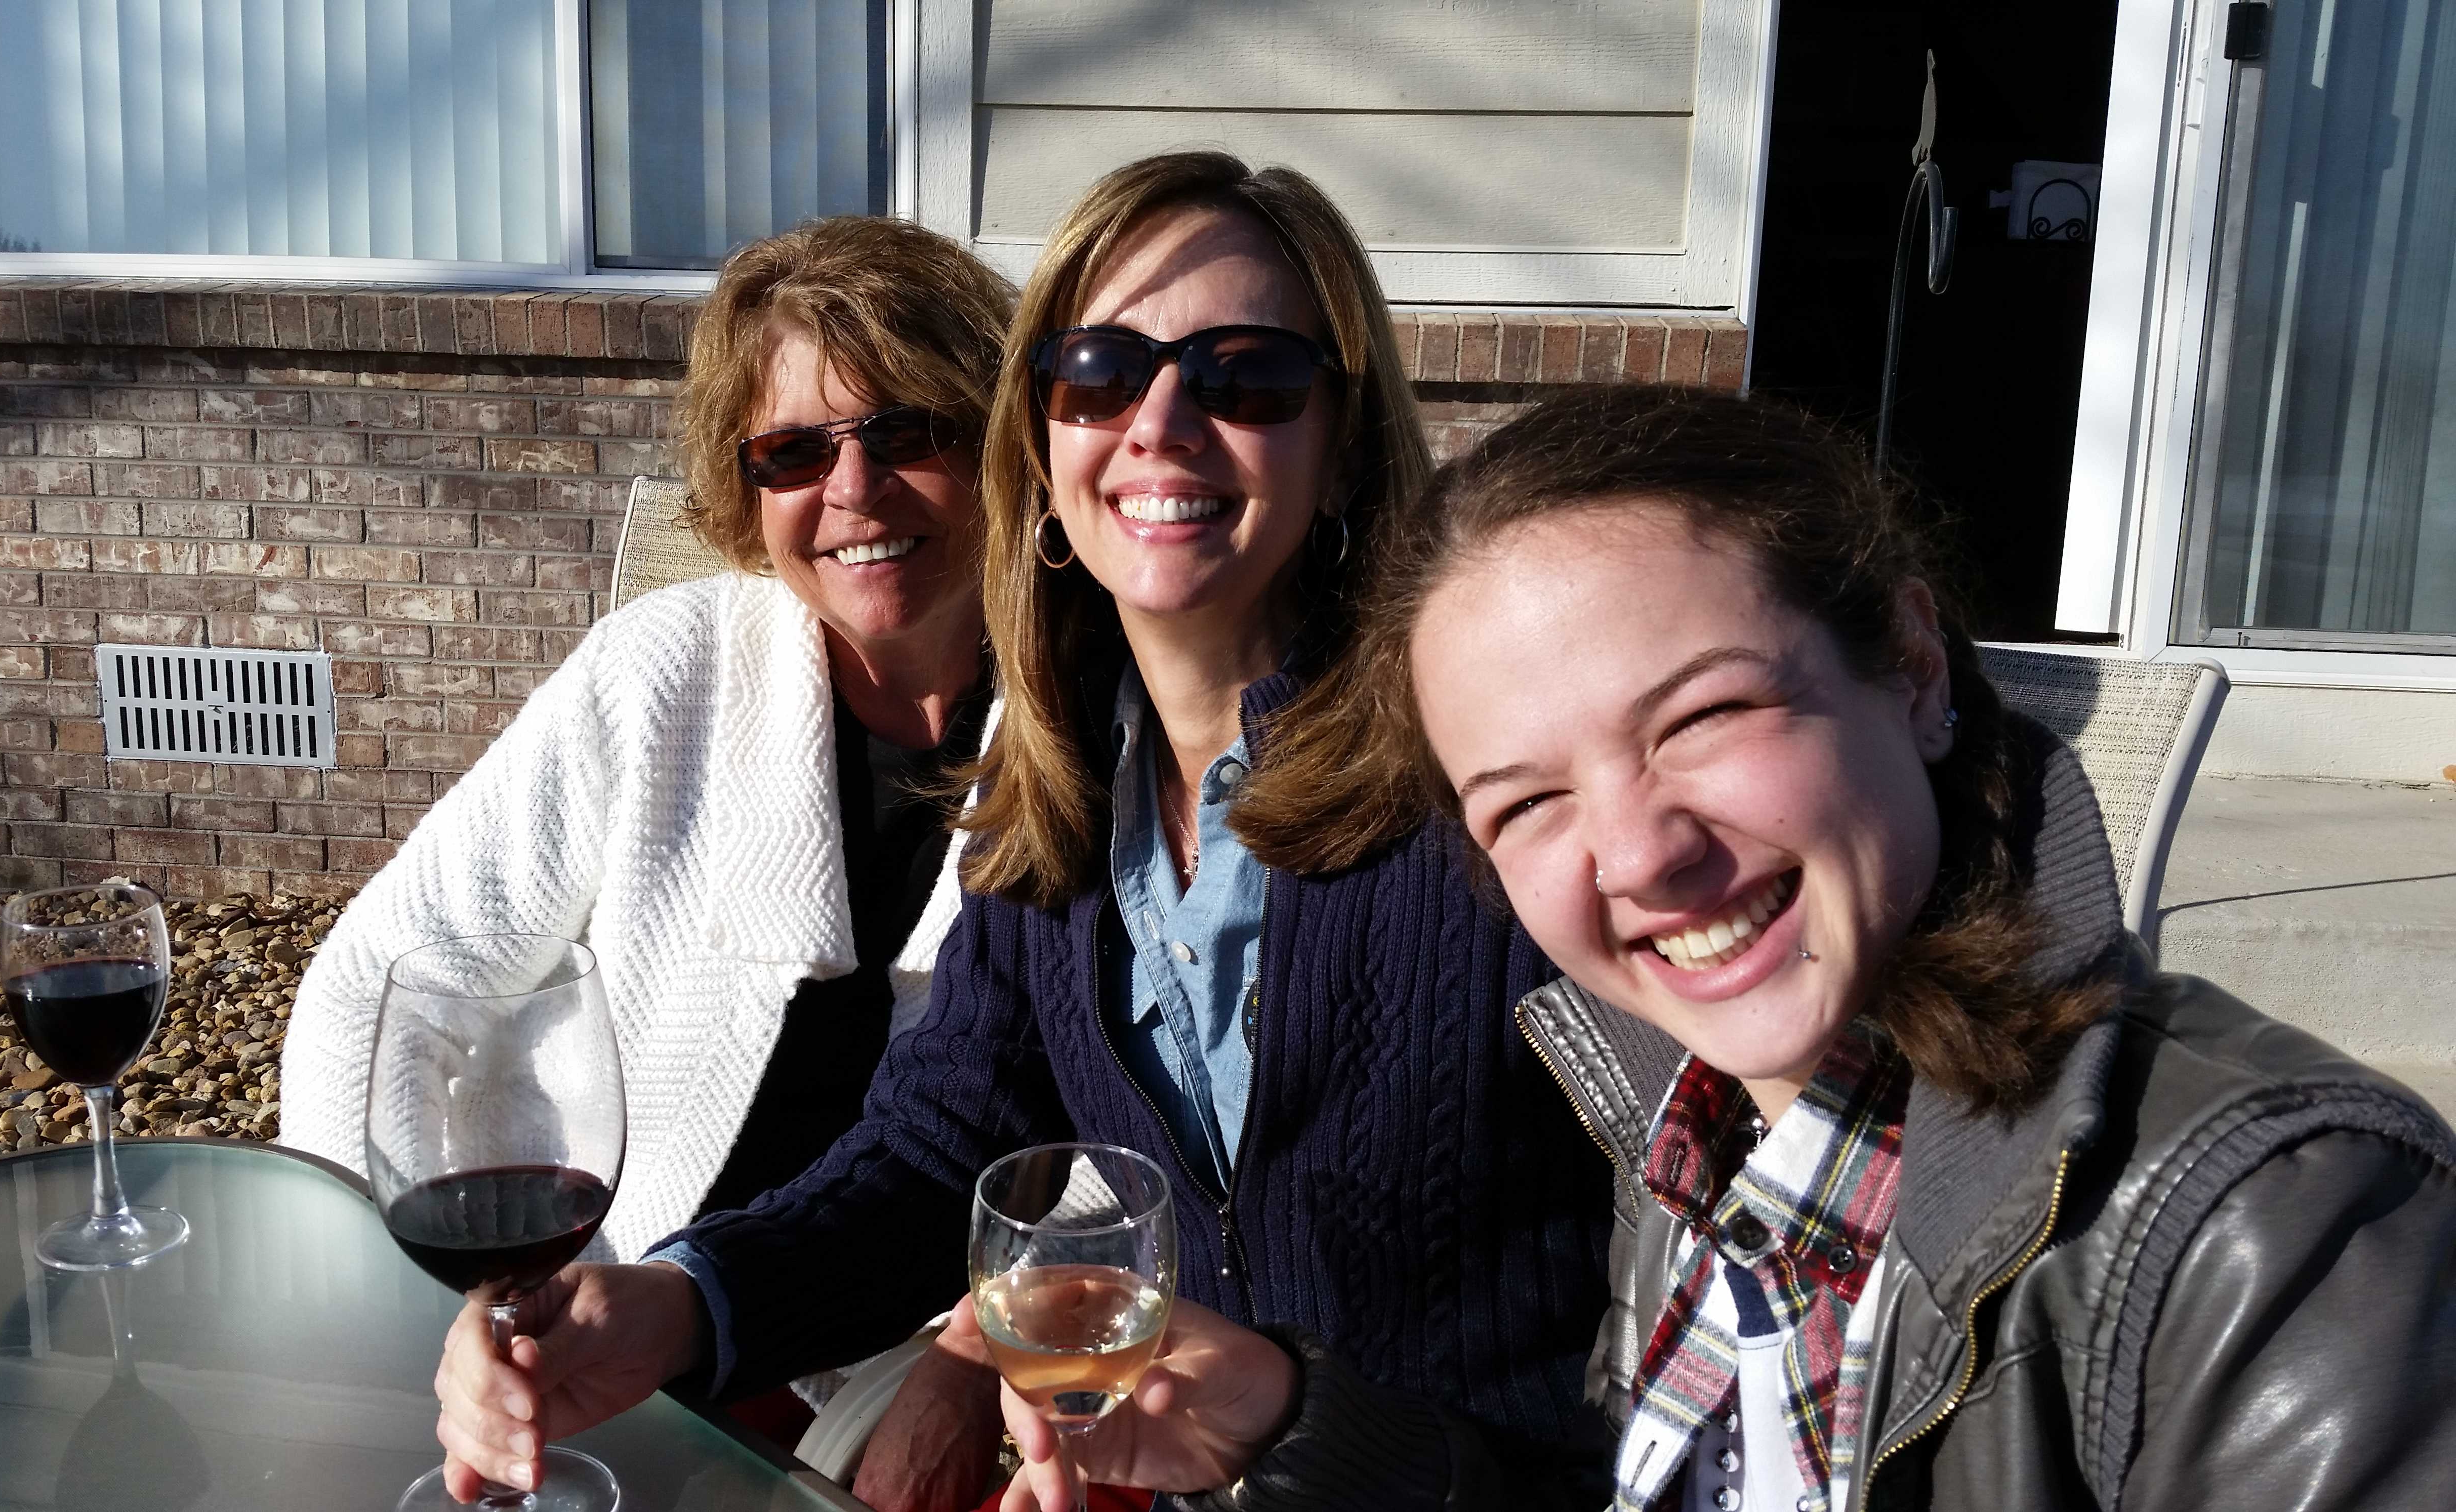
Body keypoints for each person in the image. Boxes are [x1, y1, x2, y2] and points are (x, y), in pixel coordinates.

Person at [992, 385, 2456, 1511]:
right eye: (1529, 801)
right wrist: (1287, 1427)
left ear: (1915, 671)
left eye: (1703, 718)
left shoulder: (2286, 1237)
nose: (1637, 855)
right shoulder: (1691, 1135)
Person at [424, 151, 1621, 1505]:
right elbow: (938, 1149)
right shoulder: (1057, 781)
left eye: (1246, 376)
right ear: (1042, 447)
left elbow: (1711, 1230)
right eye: (1100, 374)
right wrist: (676, 1302)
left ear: (1342, 447)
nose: (1160, 423)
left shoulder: (1481, 779)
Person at [276, 215, 1016, 1508]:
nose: (853, 491)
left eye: (909, 432)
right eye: (793, 452)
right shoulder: (663, 677)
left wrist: (971, 1354)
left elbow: (1121, 1108)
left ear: (999, 444)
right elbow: (378, 988)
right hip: (627, 1315)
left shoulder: (1095, 718)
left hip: (919, 1329)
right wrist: (411, 1327)